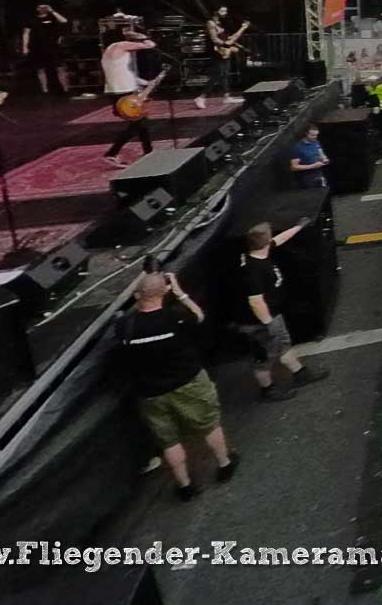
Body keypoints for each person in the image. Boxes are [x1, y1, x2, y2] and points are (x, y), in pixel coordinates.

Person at [116, 272, 234, 501]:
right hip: (187, 383)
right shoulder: (176, 318)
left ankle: (184, 486)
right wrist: (180, 292)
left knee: (169, 441)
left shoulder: (124, 326)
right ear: (166, 291)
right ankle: (224, 463)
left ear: (136, 294)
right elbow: (199, 315)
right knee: (209, 424)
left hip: (150, 393)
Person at [233, 221, 331, 399]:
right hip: (259, 323)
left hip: (271, 316)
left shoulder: (258, 252)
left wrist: (298, 227)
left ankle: (300, 373)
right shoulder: (254, 271)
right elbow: (256, 302)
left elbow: (278, 240)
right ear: (265, 240)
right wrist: (268, 323)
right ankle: (267, 390)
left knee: (283, 345)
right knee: (264, 358)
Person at [101, 26, 156, 168]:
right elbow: (150, 45)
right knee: (138, 123)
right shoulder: (120, 45)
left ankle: (149, 152)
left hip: (120, 90)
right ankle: (111, 154)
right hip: (123, 91)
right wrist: (139, 35)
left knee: (141, 123)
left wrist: (145, 82)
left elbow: (124, 73)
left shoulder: (108, 52)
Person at [197, 5, 245, 110]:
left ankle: (227, 96)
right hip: (216, 51)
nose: (225, 12)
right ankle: (201, 97)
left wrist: (233, 45)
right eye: (222, 10)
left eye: (225, 10)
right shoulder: (210, 23)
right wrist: (227, 46)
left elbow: (227, 37)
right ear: (216, 11)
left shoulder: (221, 23)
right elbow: (214, 39)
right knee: (217, 74)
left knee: (225, 74)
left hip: (224, 51)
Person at [19, 1, 69, 97]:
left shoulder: (52, 17)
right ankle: (45, 90)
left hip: (53, 47)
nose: (43, 9)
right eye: (40, 7)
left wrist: (52, 11)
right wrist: (25, 47)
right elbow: (26, 33)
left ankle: (65, 89)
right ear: (37, 8)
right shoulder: (32, 20)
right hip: (37, 48)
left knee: (60, 68)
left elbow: (64, 21)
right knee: (40, 69)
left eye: (45, 7)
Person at [288, 122, 330, 189]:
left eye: (316, 135)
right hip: (308, 178)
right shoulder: (298, 148)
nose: (315, 137)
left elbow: (320, 152)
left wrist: (324, 158)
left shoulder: (316, 142)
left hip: (319, 174)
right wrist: (313, 166)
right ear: (306, 134)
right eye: (312, 135)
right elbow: (294, 167)